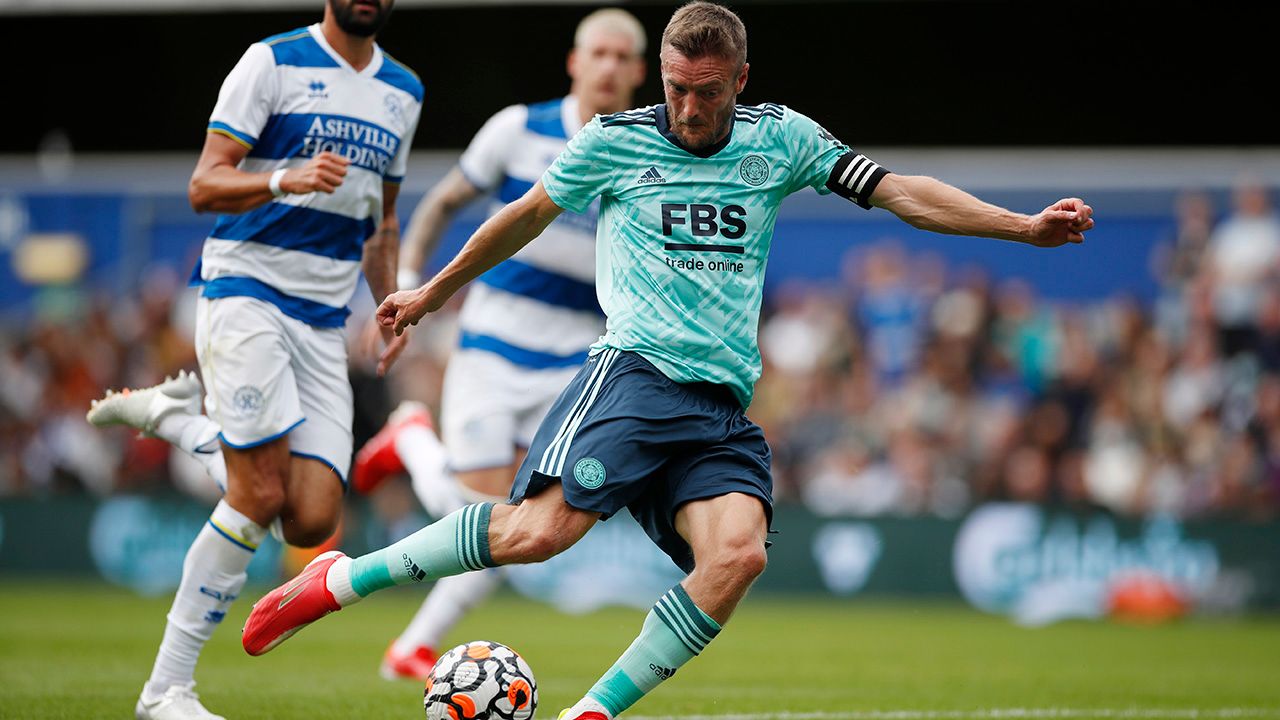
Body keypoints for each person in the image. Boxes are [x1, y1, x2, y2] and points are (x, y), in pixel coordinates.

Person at [241, 3, 1093, 719]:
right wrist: (433, 292)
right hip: (634, 376)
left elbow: (900, 190)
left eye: (708, 93)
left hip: (719, 405)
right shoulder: (617, 141)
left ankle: (589, 713)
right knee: (537, 534)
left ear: (741, 81)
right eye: (678, 91)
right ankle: (335, 584)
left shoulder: (782, 140)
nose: (689, 109)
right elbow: (525, 215)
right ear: (664, 81)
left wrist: (1021, 226)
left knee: (739, 556)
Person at [86, 1, 421, 717]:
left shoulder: (404, 91)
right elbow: (205, 184)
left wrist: (390, 304)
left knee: (309, 519)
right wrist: (283, 179)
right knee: (258, 492)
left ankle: (179, 421)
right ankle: (165, 690)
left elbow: (382, 222)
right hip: (248, 292)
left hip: (324, 323)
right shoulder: (270, 62)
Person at [349, 8, 647, 682]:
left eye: (619, 57)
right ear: (575, 61)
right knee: (476, 517)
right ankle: (412, 440)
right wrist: (409, 284)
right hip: (492, 344)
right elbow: (444, 202)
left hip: (578, 363)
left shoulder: (644, 150)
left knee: (510, 528)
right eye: (595, 53)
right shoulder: (518, 129)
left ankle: (409, 650)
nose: (606, 66)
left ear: (637, 70)